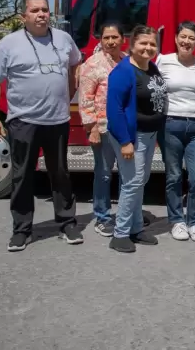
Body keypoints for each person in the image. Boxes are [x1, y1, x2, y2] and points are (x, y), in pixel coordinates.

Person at [0, 0, 83, 252]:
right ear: (23, 16)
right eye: (35, 10)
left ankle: (67, 222)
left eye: (45, 10)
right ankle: (21, 229)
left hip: (58, 120)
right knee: (22, 176)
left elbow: (76, 65)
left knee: (60, 175)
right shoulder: (8, 44)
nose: (41, 14)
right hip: (23, 121)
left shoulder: (64, 39)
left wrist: (69, 92)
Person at [106, 25, 167, 253]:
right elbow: (115, 110)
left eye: (152, 44)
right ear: (131, 45)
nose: (148, 48)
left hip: (149, 135)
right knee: (132, 183)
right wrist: (125, 141)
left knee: (140, 180)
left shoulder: (151, 67)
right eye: (143, 43)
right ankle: (120, 234)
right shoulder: (123, 72)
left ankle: (136, 228)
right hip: (132, 136)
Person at [157, 21, 195, 243]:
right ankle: (177, 221)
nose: (186, 41)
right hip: (170, 124)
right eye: (183, 37)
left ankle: (193, 222)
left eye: (191, 38)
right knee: (174, 176)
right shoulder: (163, 61)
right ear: (176, 38)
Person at [78, 20, 125, 238]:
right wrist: (92, 128)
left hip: (124, 130)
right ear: (101, 40)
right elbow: (85, 99)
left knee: (128, 175)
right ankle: (103, 217)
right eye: (106, 37)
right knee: (104, 174)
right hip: (103, 128)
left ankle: (126, 215)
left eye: (114, 37)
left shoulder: (127, 62)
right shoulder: (92, 64)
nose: (110, 41)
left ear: (123, 39)